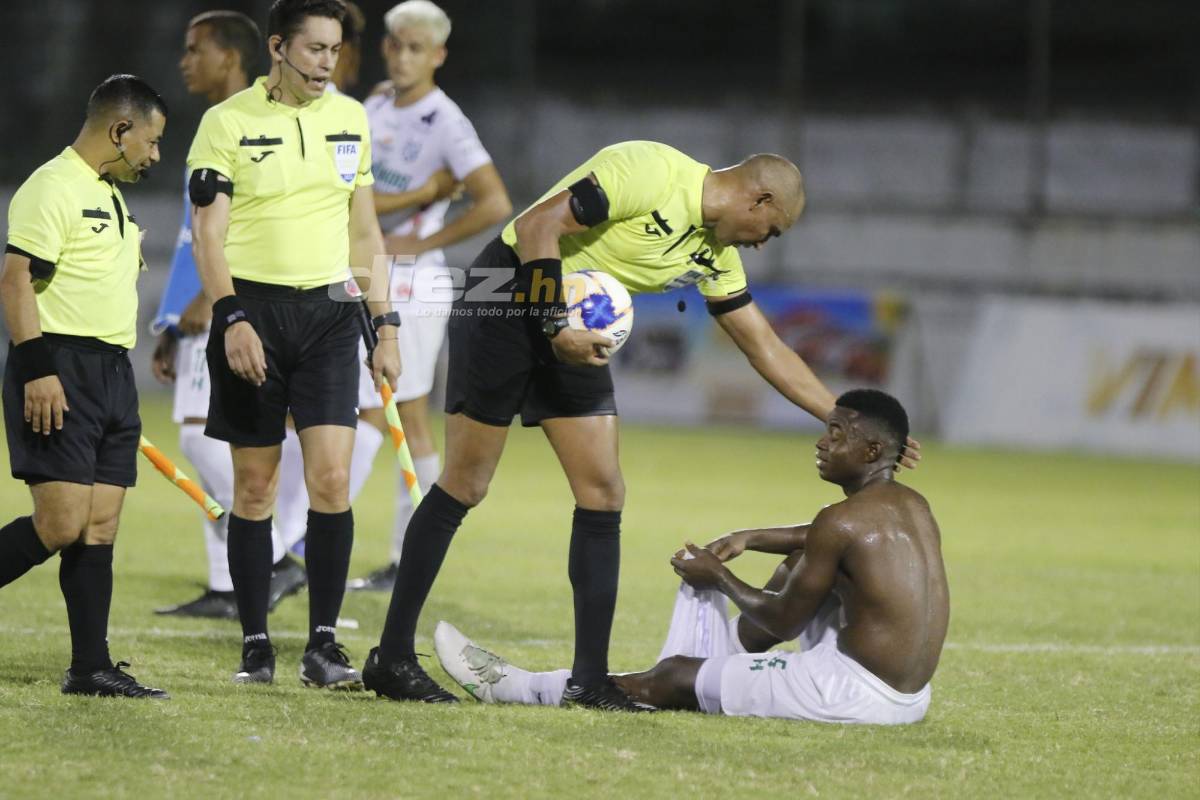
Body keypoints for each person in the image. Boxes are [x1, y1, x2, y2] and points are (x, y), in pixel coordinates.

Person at [363, 140, 918, 708]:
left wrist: (842, 417)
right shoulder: (650, 172)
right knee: (465, 484)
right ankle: (393, 656)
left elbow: (764, 345)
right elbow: (536, 226)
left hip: (577, 330)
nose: (763, 243)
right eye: (771, 229)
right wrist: (555, 325)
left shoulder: (715, 255)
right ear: (760, 198)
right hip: (509, 298)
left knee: (603, 492)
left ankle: (589, 681)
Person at [435, 389, 949, 722]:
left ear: (872, 452)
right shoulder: (910, 507)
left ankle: (516, 687)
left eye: (837, 434)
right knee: (797, 563)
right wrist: (749, 536)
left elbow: (784, 616)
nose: (821, 442)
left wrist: (718, 575)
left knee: (675, 677)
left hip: (854, 693)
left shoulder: (842, 522)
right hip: (908, 694)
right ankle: (725, 661)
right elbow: (818, 537)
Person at [187, 0, 400, 688]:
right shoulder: (226, 124)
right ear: (278, 47)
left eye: (334, 51)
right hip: (253, 312)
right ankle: (255, 643)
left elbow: (364, 232)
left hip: (332, 315)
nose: (326, 64)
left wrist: (385, 322)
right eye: (313, 50)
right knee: (255, 487)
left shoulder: (350, 117)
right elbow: (207, 236)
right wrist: (232, 319)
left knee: (332, 480)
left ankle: (323, 645)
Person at [0, 75, 169, 698]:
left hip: (111, 372)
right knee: (61, 523)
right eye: (150, 142)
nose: (154, 156)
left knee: (100, 525)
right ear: (120, 130)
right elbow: (16, 281)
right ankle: (89, 665)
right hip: (58, 367)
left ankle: (90, 668)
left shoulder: (110, 194)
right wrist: (39, 368)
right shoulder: (52, 186)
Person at [348, 0, 513, 592]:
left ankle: (401, 555)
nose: (403, 56)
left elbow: (494, 203)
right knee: (364, 407)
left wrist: (422, 244)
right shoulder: (374, 104)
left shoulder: (445, 119)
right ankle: (311, 538)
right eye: (396, 44)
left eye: (417, 48)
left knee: (399, 414)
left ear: (438, 55)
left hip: (414, 285)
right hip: (368, 274)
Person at [150, 10, 307, 621]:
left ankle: (275, 556)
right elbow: (196, 237)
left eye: (197, 50)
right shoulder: (213, 125)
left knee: (203, 433)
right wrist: (172, 319)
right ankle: (225, 583)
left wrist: (210, 302)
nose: (187, 61)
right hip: (206, 304)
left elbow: (243, 228)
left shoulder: (251, 121)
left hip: (234, 303)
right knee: (204, 431)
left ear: (232, 57)